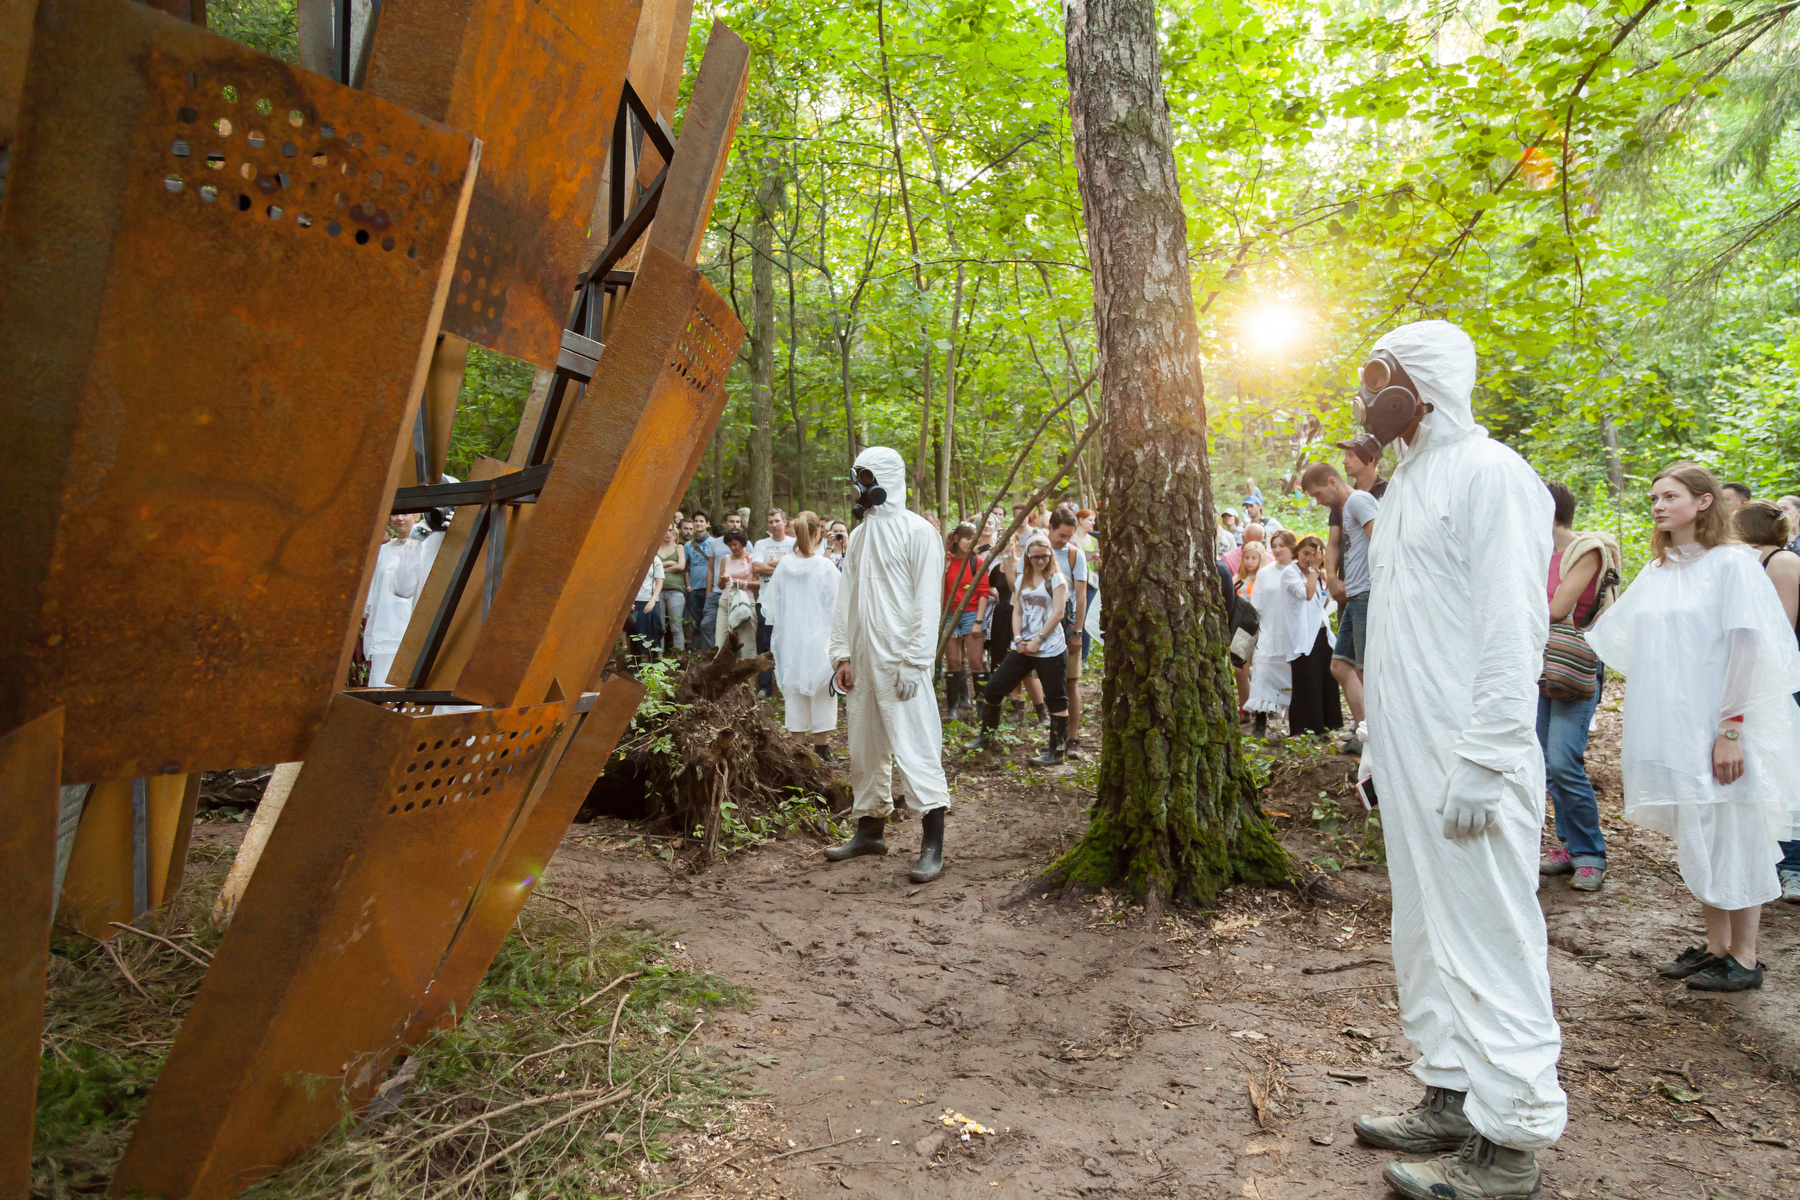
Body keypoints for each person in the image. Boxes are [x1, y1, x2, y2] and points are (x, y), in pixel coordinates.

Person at [1350, 320, 1564, 1200]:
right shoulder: (1406, 483)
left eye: (1379, 379)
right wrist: (1377, 740)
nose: (1367, 398)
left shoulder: (1493, 474)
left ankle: (1511, 1143)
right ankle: (1450, 1092)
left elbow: (1515, 625)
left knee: (1488, 936)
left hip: (1470, 753)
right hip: (1409, 752)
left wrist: (1489, 754)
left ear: (1425, 382)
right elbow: (1401, 629)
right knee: (1424, 929)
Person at [1588, 463, 1800, 992]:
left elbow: (1747, 644)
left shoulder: (1732, 563)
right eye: (1653, 498)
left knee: (1737, 830)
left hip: (1722, 725)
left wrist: (1731, 728)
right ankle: (1716, 947)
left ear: (1703, 501)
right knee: (1699, 830)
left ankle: (1746, 958)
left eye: (1670, 496)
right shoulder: (1661, 568)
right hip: (1677, 726)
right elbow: (1627, 638)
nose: (1658, 506)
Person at [824, 448, 952, 884]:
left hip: (901, 662)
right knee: (865, 746)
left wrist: (916, 661)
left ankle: (932, 844)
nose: (859, 487)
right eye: (857, 477)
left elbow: (927, 602)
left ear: (887, 478)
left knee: (916, 745)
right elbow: (846, 598)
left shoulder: (920, 532)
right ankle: (870, 830)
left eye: (866, 477)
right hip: (862, 660)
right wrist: (842, 654)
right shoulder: (859, 536)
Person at [1536, 481, 1622, 893]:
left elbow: (1557, 609)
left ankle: (1591, 853)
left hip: (1575, 663)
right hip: (1541, 662)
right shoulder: (1537, 552)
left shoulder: (1587, 550)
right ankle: (1570, 846)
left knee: (1563, 760)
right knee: (1547, 762)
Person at [1734, 498, 1800, 902]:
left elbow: (1781, 631)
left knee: (1787, 768)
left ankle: (1792, 867)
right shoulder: (1748, 562)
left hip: (1782, 679)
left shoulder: (1782, 562)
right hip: (1756, 677)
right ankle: (1765, 859)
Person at [966, 533, 1072, 765]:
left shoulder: (1056, 579)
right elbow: (1017, 610)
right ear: (1028, 557)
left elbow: (1058, 613)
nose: (1040, 560)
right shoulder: (1023, 578)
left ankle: (1057, 751)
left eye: (1044, 556)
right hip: (1023, 647)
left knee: (1055, 698)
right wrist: (1018, 638)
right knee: (994, 689)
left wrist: (1039, 640)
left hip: (1049, 647)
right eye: (1035, 557)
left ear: (1050, 555)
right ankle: (986, 736)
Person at [1300, 462, 1379, 754]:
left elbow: (1380, 542)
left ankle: (1381, 740)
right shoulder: (1345, 510)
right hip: (1352, 597)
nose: (1318, 501)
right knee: (1340, 665)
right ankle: (1364, 732)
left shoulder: (1359, 501)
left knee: (1367, 672)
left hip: (1366, 596)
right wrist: (1334, 579)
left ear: (1332, 482)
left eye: (1318, 494)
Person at [765, 513, 842, 760]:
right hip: (820, 636)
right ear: (817, 532)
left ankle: (797, 747)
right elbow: (836, 604)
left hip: (791, 637)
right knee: (822, 687)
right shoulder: (825, 566)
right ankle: (822, 747)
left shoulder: (783, 566)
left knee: (795, 686)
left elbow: (773, 605)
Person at [1284, 535, 1341, 737]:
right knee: (1307, 681)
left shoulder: (1314, 575)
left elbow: (1321, 603)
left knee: (1325, 679)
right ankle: (1304, 729)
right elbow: (1306, 594)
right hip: (1302, 635)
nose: (1308, 559)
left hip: (1320, 631)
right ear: (1297, 552)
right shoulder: (1290, 572)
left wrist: (1324, 583)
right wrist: (1314, 571)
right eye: (1306, 553)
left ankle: (1325, 726)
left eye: (1314, 555)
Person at [1045, 510, 1091, 759]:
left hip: (1068, 625)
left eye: (1070, 536)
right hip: (1042, 625)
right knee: (1049, 683)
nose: (1065, 540)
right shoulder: (1038, 550)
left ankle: (1073, 738)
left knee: (1070, 682)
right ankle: (1056, 738)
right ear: (1050, 528)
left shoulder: (1075, 555)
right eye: (1062, 535)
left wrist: (1077, 633)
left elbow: (1081, 596)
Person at [363, 514, 426, 688]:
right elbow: (373, 596)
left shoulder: (427, 548)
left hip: (414, 628)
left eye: (405, 514)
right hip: (384, 631)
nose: (399, 518)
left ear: (417, 515)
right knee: (382, 685)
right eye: (395, 514)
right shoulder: (382, 552)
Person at [1245, 531, 1298, 739]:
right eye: (1274, 545)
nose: (1276, 549)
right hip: (1268, 632)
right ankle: (1260, 724)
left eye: (1281, 545)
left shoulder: (1299, 571)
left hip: (1291, 636)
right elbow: (1256, 606)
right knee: (1262, 675)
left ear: (1292, 547)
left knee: (1292, 678)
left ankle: (1296, 725)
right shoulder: (1265, 573)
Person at [940, 523, 989, 722]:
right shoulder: (945, 560)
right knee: (953, 662)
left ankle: (982, 706)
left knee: (976, 662)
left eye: (974, 539)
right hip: (949, 614)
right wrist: (942, 570)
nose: (971, 542)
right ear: (956, 538)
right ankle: (953, 706)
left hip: (971, 613)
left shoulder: (976, 561)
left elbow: (984, 592)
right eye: (967, 538)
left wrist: (978, 621)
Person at [752, 510, 795, 698]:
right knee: (765, 644)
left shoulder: (793, 543)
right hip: (765, 602)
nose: (774, 525)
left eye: (777, 521)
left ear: (785, 522)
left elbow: (796, 567)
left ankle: (789, 684)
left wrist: (769, 566)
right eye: (770, 522)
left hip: (790, 602)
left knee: (790, 642)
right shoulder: (761, 544)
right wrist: (784, 565)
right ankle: (765, 686)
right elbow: (756, 567)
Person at [1231, 541, 1266, 712]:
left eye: (1254, 558)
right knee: (1240, 669)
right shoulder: (1237, 579)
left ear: (1261, 559)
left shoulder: (1264, 579)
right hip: (1242, 629)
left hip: (1260, 627)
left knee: (1260, 668)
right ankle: (1245, 706)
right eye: (1247, 557)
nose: (1250, 561)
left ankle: (1260, 707)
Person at [712, 529, 757, 657]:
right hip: (726, 602)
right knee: (720, 644)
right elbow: (720, 585)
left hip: (745, 603)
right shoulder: (725, 559)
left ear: (742, 543)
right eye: (729, 545)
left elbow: (759, 583)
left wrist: (745, 584)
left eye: (735, 544)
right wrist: (723, 579)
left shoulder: (752, 559)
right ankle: (721, 669)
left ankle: (750, 669)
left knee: (747, 644)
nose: (732, 548)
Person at [656, 523, 687, 654]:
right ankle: (659, 658)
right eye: (665, 530)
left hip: (675, 591)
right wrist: (669, 563)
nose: (667, 533)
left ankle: (679, 659)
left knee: (676, 627)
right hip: (657, 592)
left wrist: (661, 569)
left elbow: (681, 566)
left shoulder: (679, 547)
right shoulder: (655, 548)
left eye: (670, 530)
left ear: (674, 533)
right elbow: (651, 568)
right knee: (659, 626)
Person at [685, 515, 714, 650]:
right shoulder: (688, 545)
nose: (698, 523)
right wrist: (688, 587)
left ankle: (711, 651)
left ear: (707, 523)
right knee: (696, 622)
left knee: (709, 622)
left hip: (710, 589)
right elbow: (686, 568)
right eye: (696, 521)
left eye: (701, 521)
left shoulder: (714, 542)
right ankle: (698, 652)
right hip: (694, 589)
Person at [629, 554, 664, 661]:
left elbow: (659, 581)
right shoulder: (631, 559)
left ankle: (653, 663)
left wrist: (653, 600)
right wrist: (628, 601)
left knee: (652, 633)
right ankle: (636, 665)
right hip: (634, 601)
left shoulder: (655, 560)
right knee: (634, 633)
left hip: (650, 601)